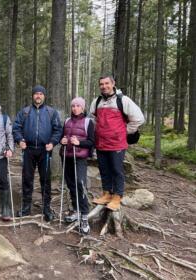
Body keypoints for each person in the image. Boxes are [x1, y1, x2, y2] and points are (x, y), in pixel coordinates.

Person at [90, 75, 145, 210]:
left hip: (117, 144)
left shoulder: (123, 100)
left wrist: (123, 131)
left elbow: (139, 119)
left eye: (107, 83)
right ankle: (107, 194)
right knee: (104, 169)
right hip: (101, 142)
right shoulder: (97, 101)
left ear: (113, 84)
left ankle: (117, 196)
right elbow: (92, 119)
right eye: (101, 84)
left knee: (116, 170)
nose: (104, 86)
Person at [13, 85, 63, 221]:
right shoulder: (25, 112)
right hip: (28, 150)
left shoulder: (51, 112)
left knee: (45, 180)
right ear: (33, 96)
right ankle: (26, 207)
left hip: (45, 150)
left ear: (44, 96)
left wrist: (52, 143)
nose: (38, 96)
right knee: (27, 179)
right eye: (36, 94)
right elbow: (16, 128)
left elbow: (58, 130)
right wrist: (20, 140)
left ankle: (46, 208)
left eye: (41, 94)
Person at [60, 97, 95, 234]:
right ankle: (76, 210)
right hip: (66, 156)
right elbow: (62, 137)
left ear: (83, 107)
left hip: (80, 158)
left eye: (78, 106)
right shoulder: (67, 121)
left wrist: (79, 143)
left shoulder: (88, 122)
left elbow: (92, 142)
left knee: (80, 183)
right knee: (71, 185)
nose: (75, 108)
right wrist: (62, 140)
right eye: (73, 106)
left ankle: (84, 215)